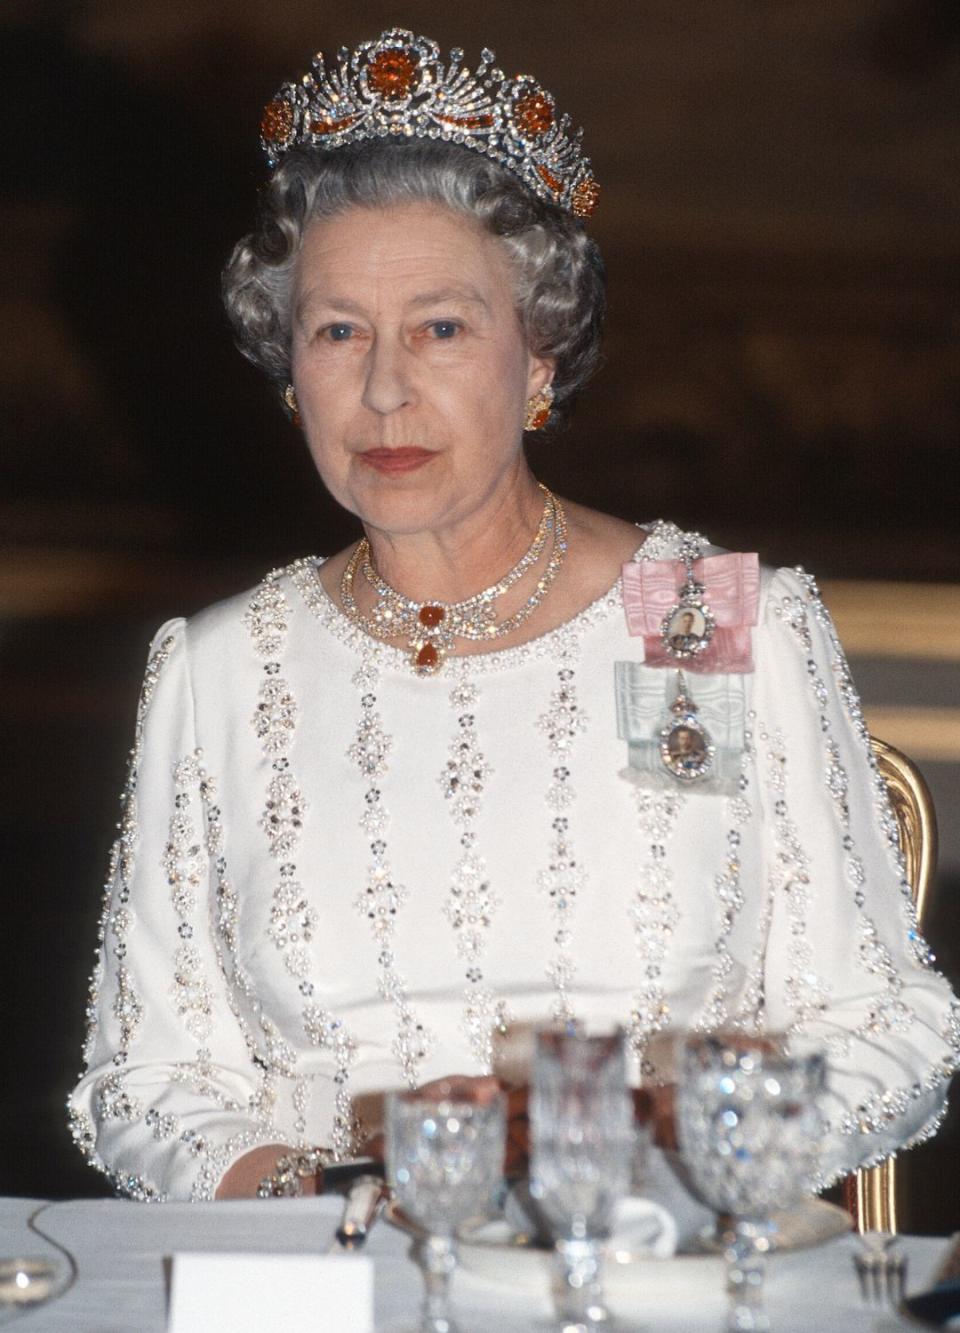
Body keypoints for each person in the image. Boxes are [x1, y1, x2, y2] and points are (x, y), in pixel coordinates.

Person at [68, 27, 958, 1205]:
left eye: (442, 327)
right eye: (339, 331)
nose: (386, 388)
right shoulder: (224, 667)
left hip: (649, 1272)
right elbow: (145, 1081)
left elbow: (884, 1021)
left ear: (538, 355)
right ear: (291, 373)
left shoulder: (684, 623)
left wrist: (644, 1164)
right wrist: (340, 1204)